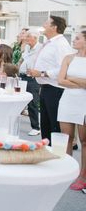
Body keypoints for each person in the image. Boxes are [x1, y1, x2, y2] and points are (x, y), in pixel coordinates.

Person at [27, 16, 75, 144]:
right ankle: (46, 152)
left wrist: (42, 73)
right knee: (46, 125)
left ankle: (55, 156)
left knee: (54, 126)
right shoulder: (50, 42)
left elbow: (62, 69)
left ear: (54, 27)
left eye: (46, 23)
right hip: (46, 88)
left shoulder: (60, 44)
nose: (43, 25)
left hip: (55, 89)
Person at [57, 30, 86, 190]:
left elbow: (66, 78)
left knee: (84, 141)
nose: (73, 41)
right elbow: (61, 80)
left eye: (77, 38)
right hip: (68, 100)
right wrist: (81, 82)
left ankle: (83, 175)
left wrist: (71, 78)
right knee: (66, 137)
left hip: (84, 102)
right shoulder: (68, 58)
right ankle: (67, 171)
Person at [18, 30, 42, 136]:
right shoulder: (27, 48)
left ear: (35, 38)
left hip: (32, 78)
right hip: (22, 76)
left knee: (32, 103)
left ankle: (36, 127)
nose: (26, 38)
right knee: (20, 99)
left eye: (28, 36)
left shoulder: (40, 48)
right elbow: (22, 60)